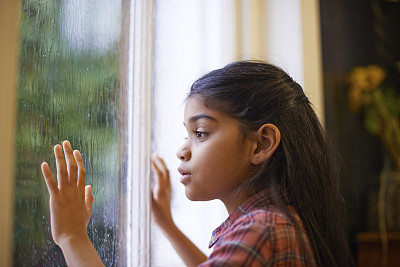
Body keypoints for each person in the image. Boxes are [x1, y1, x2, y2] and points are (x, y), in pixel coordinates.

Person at [41, 61, 354, 266]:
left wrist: (72, 237)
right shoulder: (281, 221)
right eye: (187, 135)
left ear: (261, 143)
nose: (182, 150)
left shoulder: (263, 230)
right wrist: (166, 224)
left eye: (200, 133)